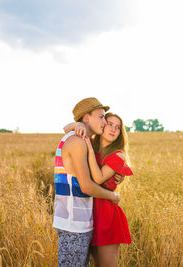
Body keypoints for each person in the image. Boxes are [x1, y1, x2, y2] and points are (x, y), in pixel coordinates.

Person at [53, 97, 123, 267]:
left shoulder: (79, 138)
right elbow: (86, 186)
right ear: (86, 118)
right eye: (101, 117)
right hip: (73, 223)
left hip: (76, 221)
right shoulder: (78, 142)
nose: (105, 122)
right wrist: (113, 195)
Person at [65, 112, 133, 267]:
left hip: (106, 215)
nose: (113, 129)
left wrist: (89, 149)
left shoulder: (118, 154)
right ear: (102, 124)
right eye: (110, 124)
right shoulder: (90, 143)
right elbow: (66, 128)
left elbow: (98, 178)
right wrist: (78, 125)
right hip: (87, 213)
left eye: (118, 127)